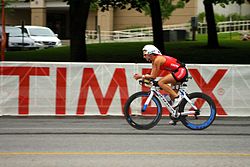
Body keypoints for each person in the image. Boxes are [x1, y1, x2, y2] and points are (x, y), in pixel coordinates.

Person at [133, 44, 188, 125]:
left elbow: (153, 76)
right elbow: (152, 77)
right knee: (171, 97)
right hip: (178, 71)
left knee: (161, 83)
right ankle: (177, 116)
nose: (144, 57)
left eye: (145, 54)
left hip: (181, 71)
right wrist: (145, 79)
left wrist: (141, 76)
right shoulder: (154, 61)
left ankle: (177, 97)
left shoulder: (158, 60)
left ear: (151, 53)